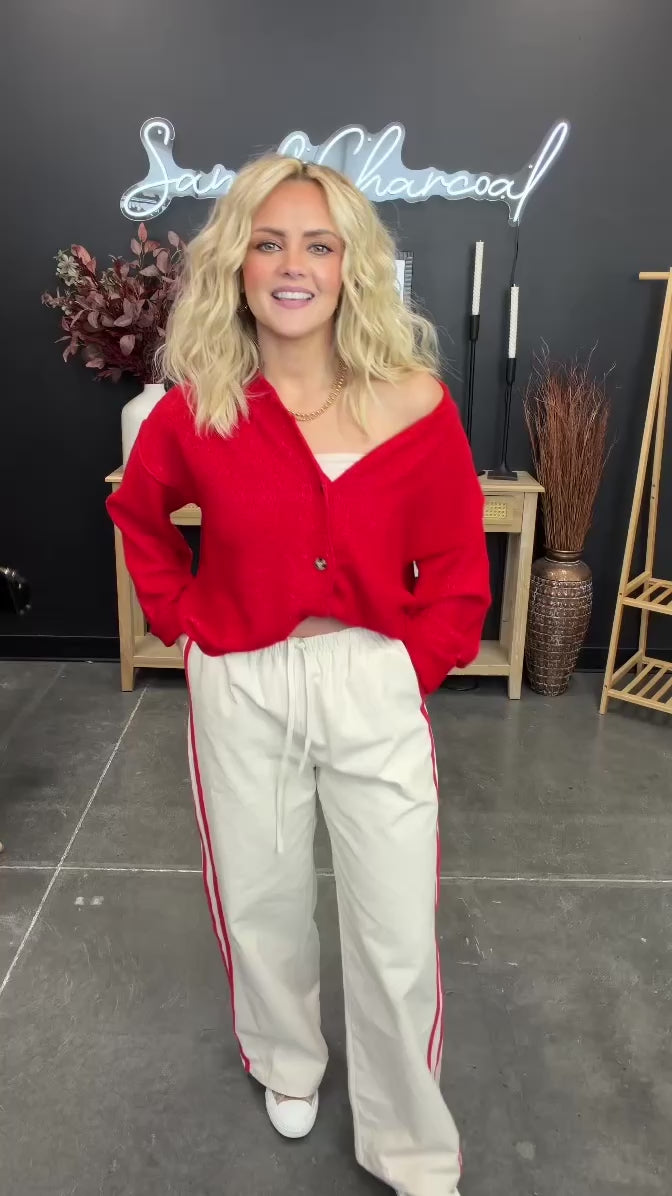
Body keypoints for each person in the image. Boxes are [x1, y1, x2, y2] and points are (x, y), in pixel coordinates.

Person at [107, 154, 490, 1196]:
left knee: (396, 929)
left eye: (318, 245)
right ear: (237, 265)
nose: (292, 266)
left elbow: (459, 563)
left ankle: (409, 1142)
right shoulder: (200, 409)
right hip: (244, 681)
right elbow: (140, 516)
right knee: (263, 898)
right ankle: (286, 1059)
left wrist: (412, 664)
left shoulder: (416, 403)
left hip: (371, 678)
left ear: (350, 267)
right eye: (268, 243)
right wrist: (186, 625)